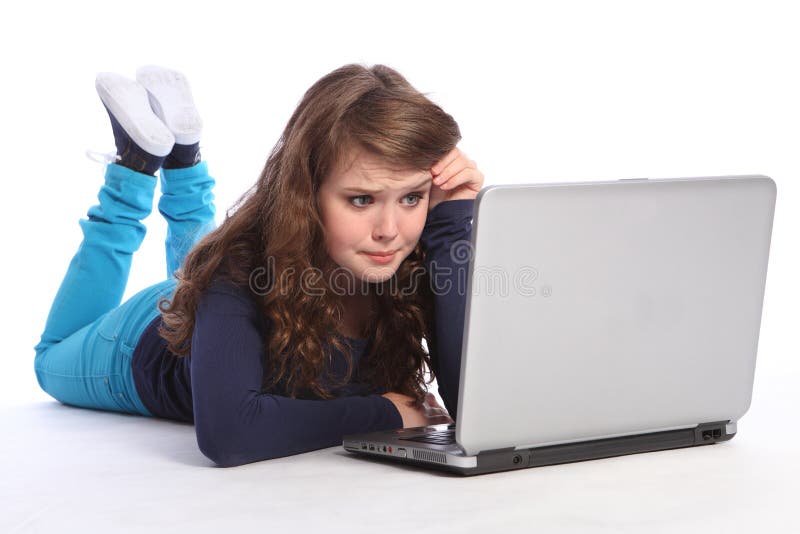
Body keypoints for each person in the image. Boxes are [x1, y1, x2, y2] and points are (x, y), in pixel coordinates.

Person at [33, 63, 484, 467]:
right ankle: (135, 167)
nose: (390, 229)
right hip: (132, 344)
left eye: (411, 197)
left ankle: (183, 155)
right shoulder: (239, 270)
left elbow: (476, 414)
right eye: (361, 199)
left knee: (200, 267)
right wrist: (382, 413)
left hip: (207, 308)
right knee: (50, 358)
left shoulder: (412, 253)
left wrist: (451, 225)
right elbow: (230, 433)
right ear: (306, 193)